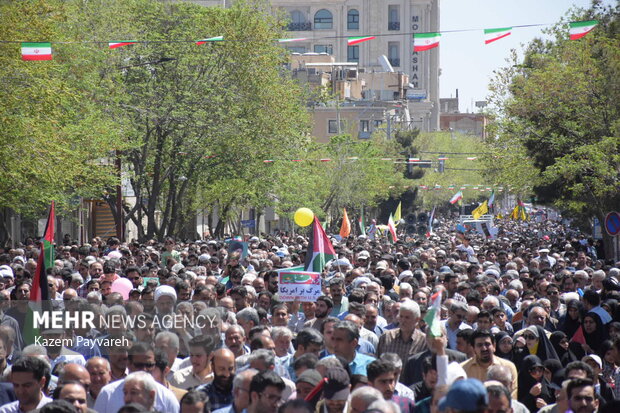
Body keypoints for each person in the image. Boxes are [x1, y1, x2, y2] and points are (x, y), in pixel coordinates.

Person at [94, 342, 180, 413]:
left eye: (149, 365)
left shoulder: (167, 397)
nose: (144, 369)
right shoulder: (108, 394)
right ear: (128, 364)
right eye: (139, 365)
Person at [461, 329, 518, 399]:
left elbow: (512, 398)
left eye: (487, 344)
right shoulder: (463, 369)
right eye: (479, 345)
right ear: (473, 348)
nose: (484, 348)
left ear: (494, 346)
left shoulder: (508, 367)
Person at [377, 300, 427, 367]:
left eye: (407, 317)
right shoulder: (386, 337)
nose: (403, 321)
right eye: (401, 316)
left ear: (417, 319)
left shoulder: (424, 341)